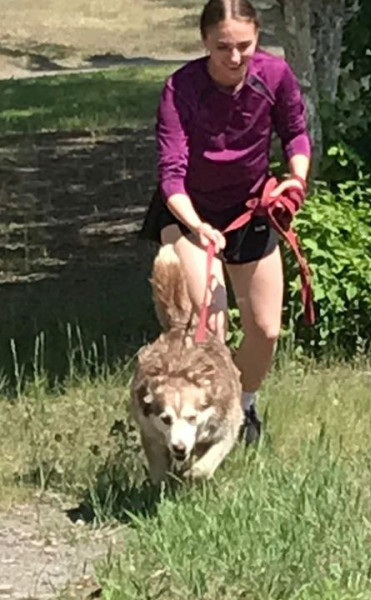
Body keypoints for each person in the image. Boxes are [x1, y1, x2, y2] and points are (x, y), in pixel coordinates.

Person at [139, 0, 311, 444]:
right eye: (222, 48)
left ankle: (243, 408)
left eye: (244, 46)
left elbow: (295, 131)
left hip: (250, 210)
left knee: (266, 329)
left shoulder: (273, 76)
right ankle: (192, 421)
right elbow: (171, 174)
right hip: (188, 213)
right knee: (210, 325)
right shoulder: (181, 88)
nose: (234, 58)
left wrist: (295, 180)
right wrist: (197, 226)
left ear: (257, 39)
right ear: (205, 43)